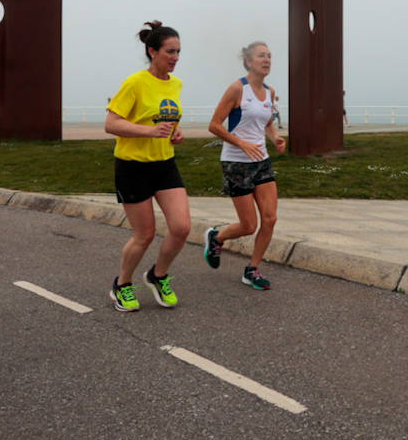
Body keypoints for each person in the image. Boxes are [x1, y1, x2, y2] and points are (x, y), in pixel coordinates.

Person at [104, 21, 190, 312]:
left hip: (164, 164)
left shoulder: (175, 84)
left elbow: (167, 119)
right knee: (145, 235)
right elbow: (111, 123)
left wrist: (175, 132)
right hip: (133, 167)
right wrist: (147, 132)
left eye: (178, 51)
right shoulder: (135, 82)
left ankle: (158, 275)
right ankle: (122, 284)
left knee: (181, 228)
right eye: (170, 51)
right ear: (153, 51)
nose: (175, 57)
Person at [205, 41, 287, 291]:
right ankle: (216, 237)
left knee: (270, 219)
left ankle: (252, 269)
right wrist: (241, 144)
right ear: (249, 61)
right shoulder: (236, 89)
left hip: (261, 161)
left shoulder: (270, 92)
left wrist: (275, 139)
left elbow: (267, 123)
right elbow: (215, 125)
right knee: (249, 225)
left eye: (270, 56)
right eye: (262, 56)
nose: (267, 60)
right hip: (236, 163)